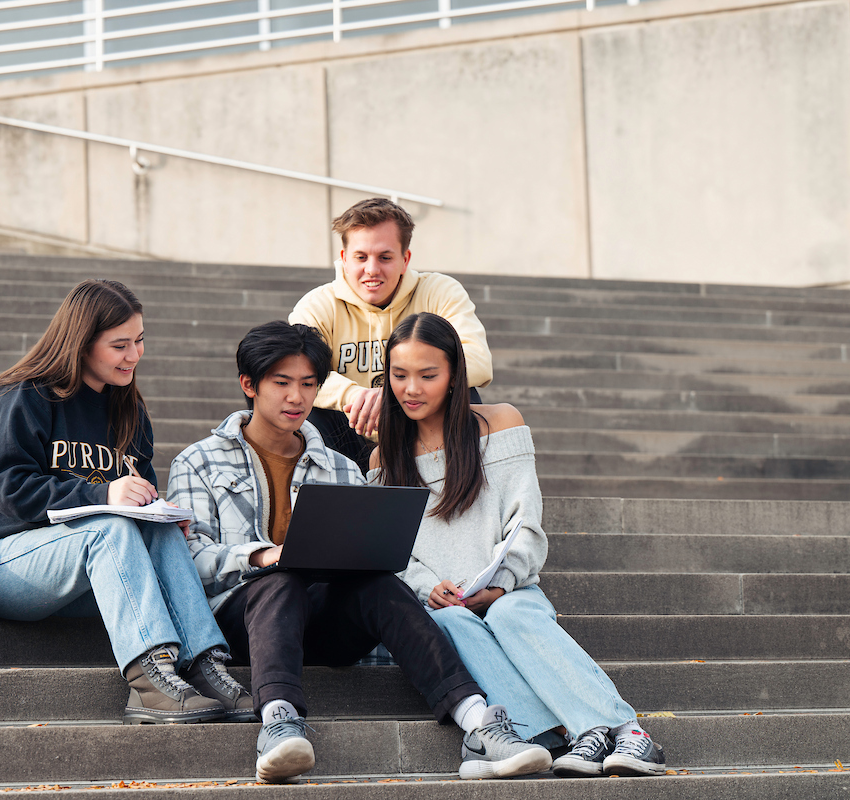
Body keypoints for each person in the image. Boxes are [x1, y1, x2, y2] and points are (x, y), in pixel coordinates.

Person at [167, 320, 552, 783]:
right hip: (239, 622)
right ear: (249, 385)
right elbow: (189, 562)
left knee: (380, 582)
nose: (297, 398)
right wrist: (264, 556)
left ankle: (478, 722)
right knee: (281, 579)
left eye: (309, 385)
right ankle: (279, 722)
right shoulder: (198, 461)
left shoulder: (339, 467)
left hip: (323, 621)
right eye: (282, 384)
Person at [369, 311, 667, 778]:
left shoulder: (498, 424)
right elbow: (394, 551)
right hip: (448, 604)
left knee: (509, 612)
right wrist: (427, 586)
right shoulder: (384, 457)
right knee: (450, 621)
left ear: (453, 376)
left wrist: (503, 582)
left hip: (510, 590)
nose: (411, 388)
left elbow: (526, 523)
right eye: (399, 375)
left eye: (427, 375)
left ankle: (626, 730)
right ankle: (569, 736)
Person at [0, 279, 255, 725]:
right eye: (119, 345)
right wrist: (104, 494)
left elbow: (140, 498)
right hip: (3, 564)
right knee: (110, 527)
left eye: (139, 341)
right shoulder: (24, 394)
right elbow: (9, 489)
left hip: (93, 573)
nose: (134, 355)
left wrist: (159, 513)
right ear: (81, 344)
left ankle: (205, 667)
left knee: (151, 528)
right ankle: (149, 679)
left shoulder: (129, 411)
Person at [288, 197, 493, 471]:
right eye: (361, 257)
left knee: (466, 392)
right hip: (350, 431)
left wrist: (392, 395)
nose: (372, 269)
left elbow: (477, 360)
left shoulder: (439, 291)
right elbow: (294, 369)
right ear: (344, 259)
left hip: (420, 427)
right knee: (305, 405)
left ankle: (464, 491)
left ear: (405, 259)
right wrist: (355, 396)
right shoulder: (318, 305)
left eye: (385, 257)